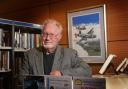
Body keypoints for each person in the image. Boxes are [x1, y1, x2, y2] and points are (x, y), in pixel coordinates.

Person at [20, 19, 92, 77]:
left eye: (51, 35)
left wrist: (62, 73)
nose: (47, 38)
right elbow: (22, 78)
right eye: (45, 34)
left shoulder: (70, 54)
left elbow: (87, 71)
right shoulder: (30, 54)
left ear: (59, 37)